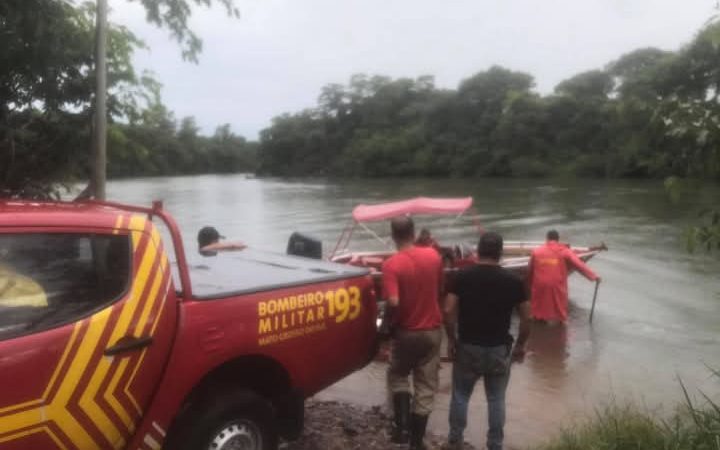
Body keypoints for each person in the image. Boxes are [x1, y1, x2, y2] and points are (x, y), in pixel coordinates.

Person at [443, 231, 531, 450]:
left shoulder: (462, 277)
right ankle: (494, 444)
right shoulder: (514, 281)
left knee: (461, 395)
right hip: (499, 349)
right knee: (496, 399)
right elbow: (527, 318)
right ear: (500, 253)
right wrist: (520, 345)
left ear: (478, 251)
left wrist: (451, 340)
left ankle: (455, 440)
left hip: (468, 346)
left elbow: (448, 310)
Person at [382, 216, 444, 450]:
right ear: (413, 231)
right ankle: (416, 443)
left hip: (406, 333)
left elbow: (394, 301)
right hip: (432, 331)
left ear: (393, 235)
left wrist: (385, 326)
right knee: (426, 387)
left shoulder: (391, 265)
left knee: (398, 375)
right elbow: (440, 289)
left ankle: (401, 428)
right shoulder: (433, 256)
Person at [528, 230, 600, 324]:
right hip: (556, 285)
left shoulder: (536, 251)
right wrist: (594, 276)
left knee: (538, 307)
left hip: (540, 284)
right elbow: (579, 264)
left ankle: (538, 320)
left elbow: (530, 270)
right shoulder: (564, 250)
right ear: (558, 240)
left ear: (547, 239)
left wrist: (529, 284)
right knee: (559, 309)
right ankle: (560, 324)